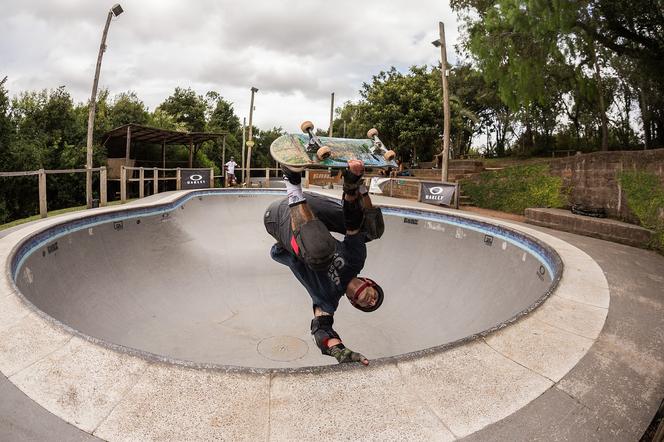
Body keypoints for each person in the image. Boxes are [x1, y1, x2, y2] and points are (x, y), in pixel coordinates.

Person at [263, 160, 385, 365]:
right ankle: (354, 181)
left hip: (278, 219)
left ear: (354, 303)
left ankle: (291, 180)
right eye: (376, 298)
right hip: (311, 206)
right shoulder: (356, 260)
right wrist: (354, 187)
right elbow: (354, 225)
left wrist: (339, 351)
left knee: (320, 254)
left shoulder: (328, 299)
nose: (372, 302)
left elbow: (321, 329)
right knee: (371, 230)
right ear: (369, 282)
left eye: (368, 306)